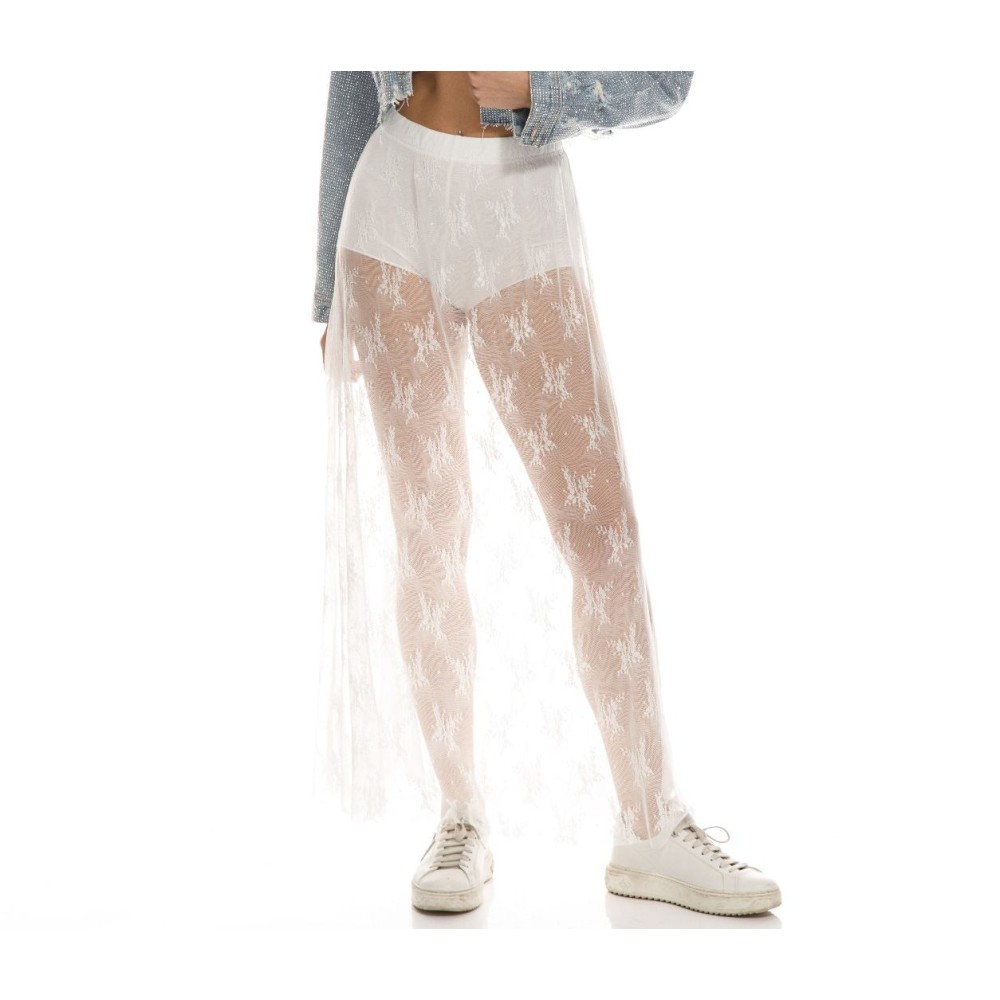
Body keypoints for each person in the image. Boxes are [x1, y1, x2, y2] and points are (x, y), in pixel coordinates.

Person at [312, 71, 781, 917]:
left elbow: (665, 76)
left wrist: (537, 86)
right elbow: (352, 80)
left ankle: (650, 824)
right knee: (427, 526)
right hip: (387, 203)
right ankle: (459, 817)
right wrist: (327, 288)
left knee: (602, 534)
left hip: (519, 195)